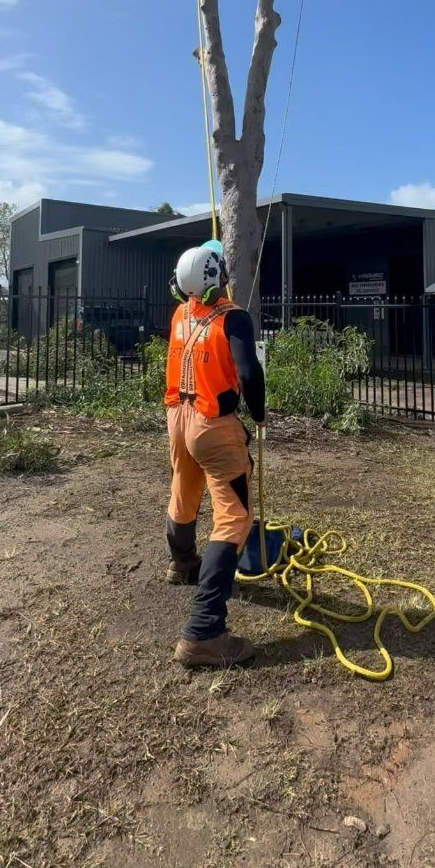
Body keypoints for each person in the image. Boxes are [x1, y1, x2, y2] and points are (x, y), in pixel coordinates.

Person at [164, 243, 266, 668]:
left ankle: (183, 562)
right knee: (234, 517)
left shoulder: (181, 314)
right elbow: (248, 373)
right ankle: (205, 631)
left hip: (179, 417)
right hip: (213, 425)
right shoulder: (233, 318)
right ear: (218, 275)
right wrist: (259, 413)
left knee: (184, 489)